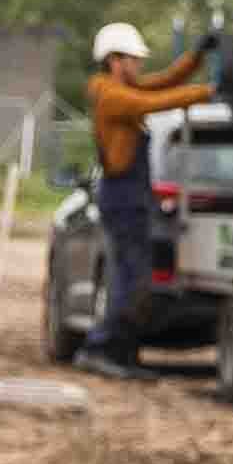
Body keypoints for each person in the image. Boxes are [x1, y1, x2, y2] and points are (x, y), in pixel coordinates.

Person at [78, 23, 212, 379]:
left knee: (137, 280)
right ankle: (98, 349)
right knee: (130, 278)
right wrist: (207, 92)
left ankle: (123, 353)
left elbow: (165, 82)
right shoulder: (112, 96)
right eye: (133, 60)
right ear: (114, 61)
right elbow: (155, 102)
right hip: (122, 195)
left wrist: (197, 56)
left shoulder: (124, 87)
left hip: (133, 195)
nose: (138, 66)